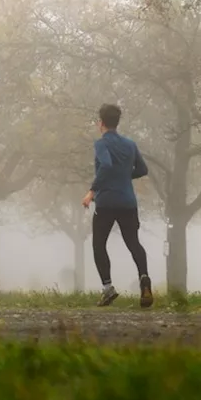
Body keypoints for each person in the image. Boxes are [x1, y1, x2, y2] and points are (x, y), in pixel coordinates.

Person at [82, 103, 154, 308]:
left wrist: (92, 191)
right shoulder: (130, 144)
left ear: (101, 123)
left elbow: (105, 165)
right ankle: (144, 278)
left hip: (106, 202)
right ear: (117, 122)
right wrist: (124, 176)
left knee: (99, 245)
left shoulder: (101, 144)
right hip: (127, 202)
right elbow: (142, 169)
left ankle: (108, 288)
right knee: (133, 243)